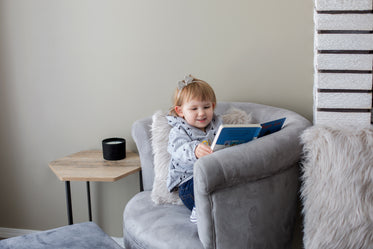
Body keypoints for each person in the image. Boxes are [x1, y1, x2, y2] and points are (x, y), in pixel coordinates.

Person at [167, 74, 222, 223]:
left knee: (223, 187)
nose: (202, 113)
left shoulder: (217, 124)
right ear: (180, 111)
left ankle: (221, 208)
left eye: (206, 107)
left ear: (213, 106)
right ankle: (200, 210)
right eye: (194, 108)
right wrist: (194, 150)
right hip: (188, 179)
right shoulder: (179, 130)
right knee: (197, 189)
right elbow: (178, 149)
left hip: (213, 173)